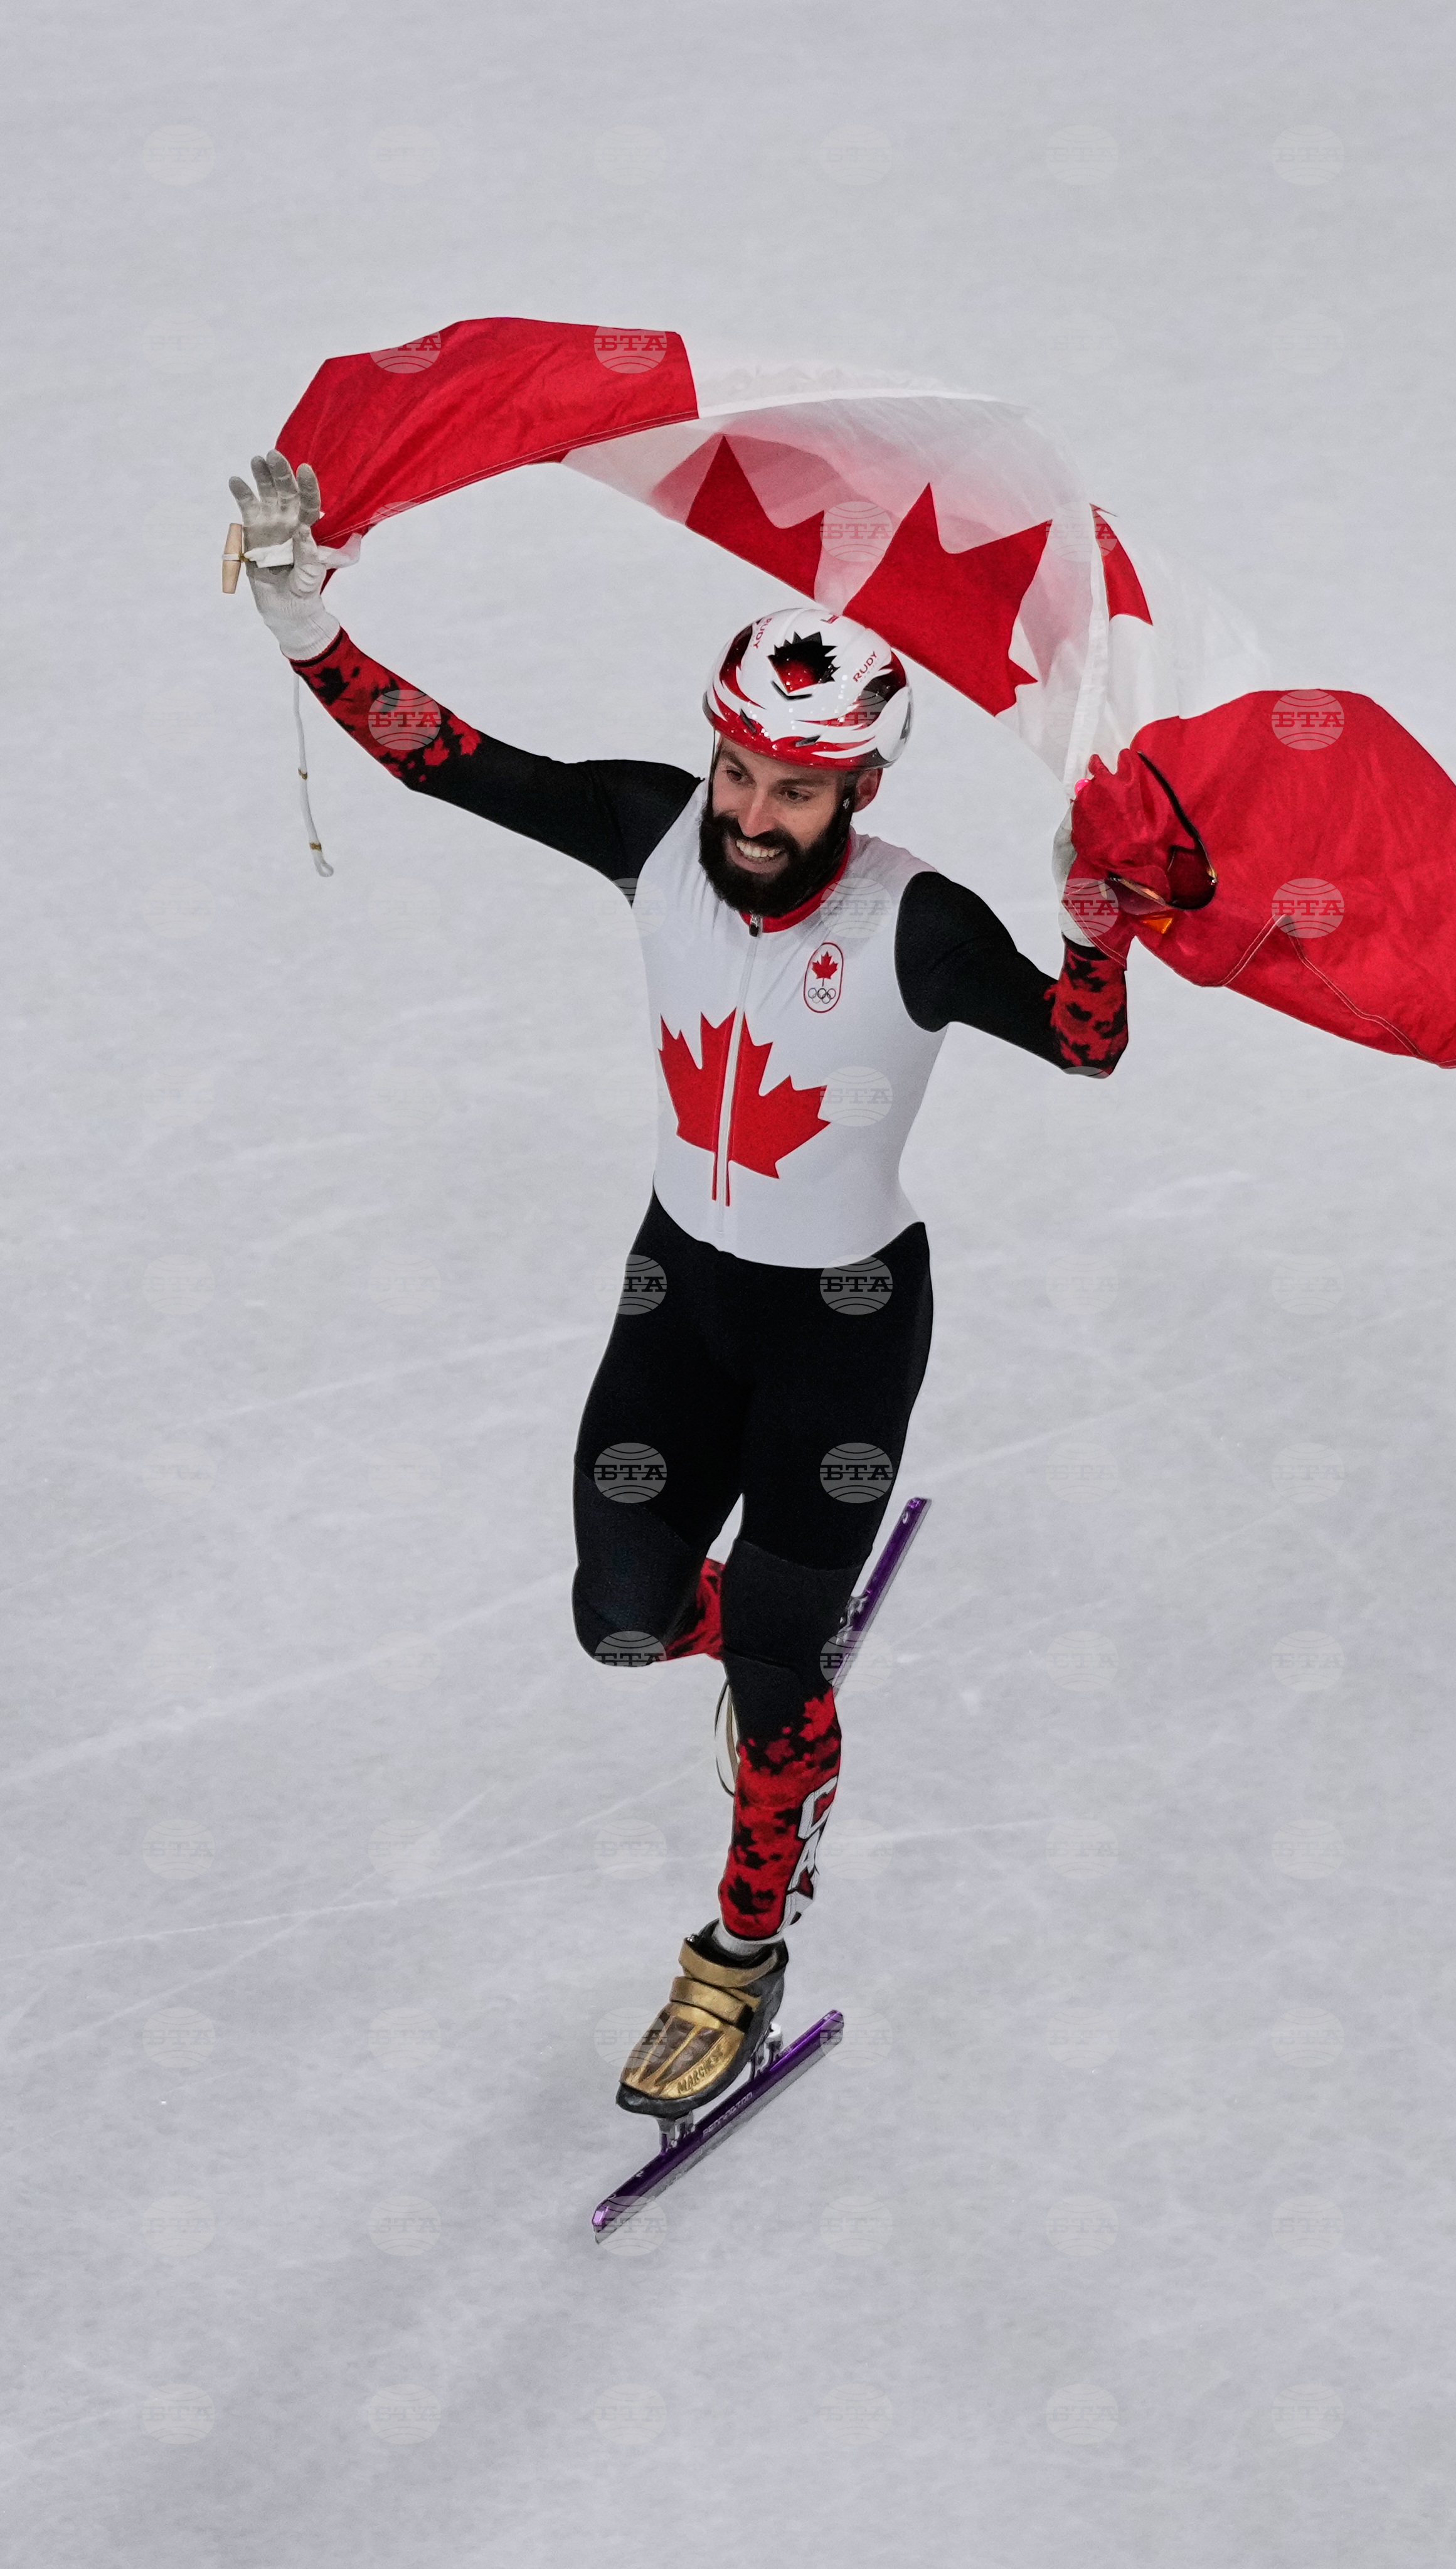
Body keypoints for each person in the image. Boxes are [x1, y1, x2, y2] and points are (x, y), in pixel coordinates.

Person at [227, 449, 1196, 2126]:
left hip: (844, 1326)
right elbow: (440, 759)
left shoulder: (925, 922)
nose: (752, 816)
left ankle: (741, 1940)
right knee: (619, 1614)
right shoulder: (645, 830)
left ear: (859, 790)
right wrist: (302, 610)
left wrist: (1096, 923)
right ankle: (769, 1650)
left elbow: (1083, 1048)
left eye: (794, 793)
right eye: (738, 774)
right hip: (682, 1287)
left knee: (770, 1669)